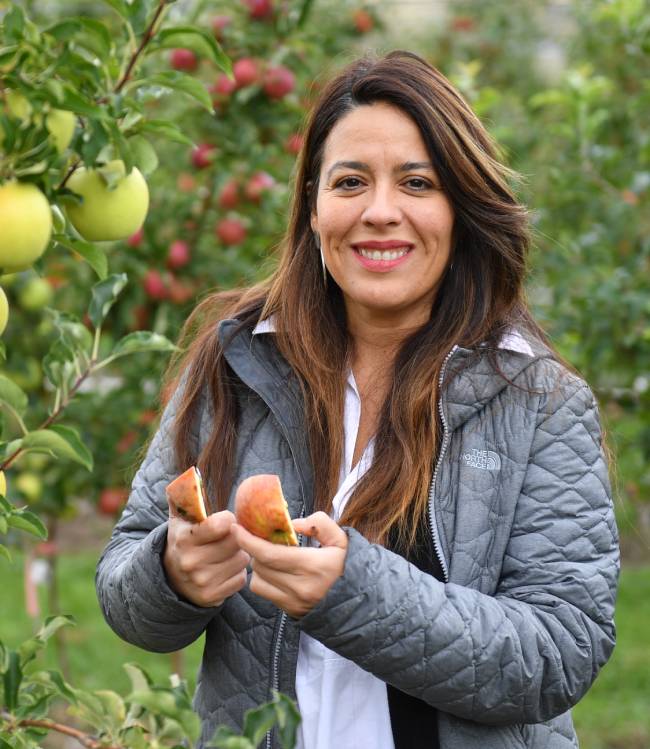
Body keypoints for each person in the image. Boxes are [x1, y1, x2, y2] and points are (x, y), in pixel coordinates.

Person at [96, 50, 619, 749]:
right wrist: (173, 573)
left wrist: (350, 593)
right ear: (313, 208)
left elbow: (558, 652)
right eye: (349, 182)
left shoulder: (537, 401)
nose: (379, 211)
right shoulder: (237, 364)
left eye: (416, 182)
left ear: (459, 209)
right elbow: (125, 591)